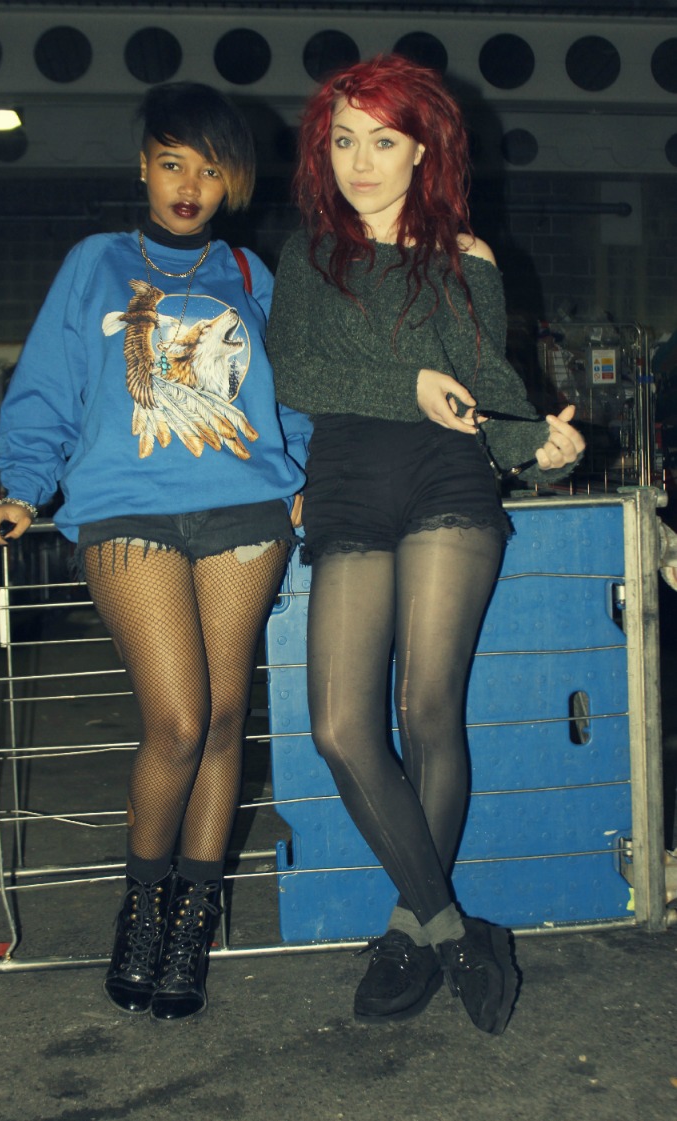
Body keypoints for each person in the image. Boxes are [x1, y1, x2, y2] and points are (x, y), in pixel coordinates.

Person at [0, 82, 309, 1022]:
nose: (189, 185)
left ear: (232, 182)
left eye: (210, 169)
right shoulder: (95, 264)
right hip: (126, 511)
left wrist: (305, 472)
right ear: (143, 168)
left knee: (226, 715)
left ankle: (192, 921)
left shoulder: (249, 272)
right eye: (172, 164)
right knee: (177, 719)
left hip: (246, 508)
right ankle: (144, 903)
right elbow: (48, 386)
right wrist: (23, 486)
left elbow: (290, 393)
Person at [266, 54, 584, 1034]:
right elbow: (295, 373)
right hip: (350, 484)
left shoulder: (465, 256)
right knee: (338, 727)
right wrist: (406, 384)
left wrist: (541, 449)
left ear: (422, 150)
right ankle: (453, 928)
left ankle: (407, 932)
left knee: (427, 709)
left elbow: (487, 387)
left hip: (448, 479)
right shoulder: (309, 256)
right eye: (343, 140)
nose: (360, 160)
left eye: (383, 140)